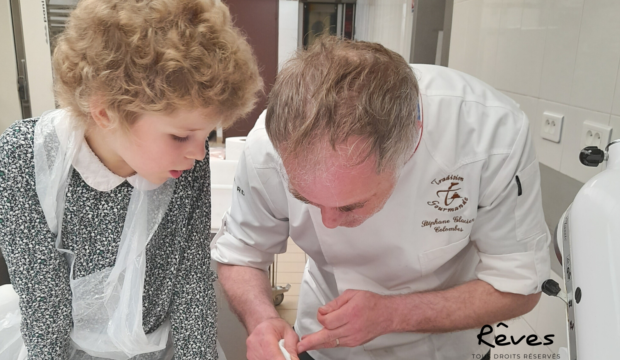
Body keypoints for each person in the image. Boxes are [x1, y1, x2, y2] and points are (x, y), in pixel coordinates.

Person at [211, 37, 550, 360]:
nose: (328, 223)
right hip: (324, 341)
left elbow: (518, 285)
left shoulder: (490, 134)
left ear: (411, 141)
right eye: (307, 200)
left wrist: (393, 314)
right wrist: (262, 320)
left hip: (447, 348)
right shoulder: (266, 148)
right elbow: (243, 252)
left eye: (351, 205)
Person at [0, 0, 261, 359]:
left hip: (158, 347)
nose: (199, 154)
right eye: (181, 136)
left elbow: (191, 284)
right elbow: (44, 301)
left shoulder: (185, 164)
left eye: (206, 135)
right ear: (106, 111)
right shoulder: (24, 156)